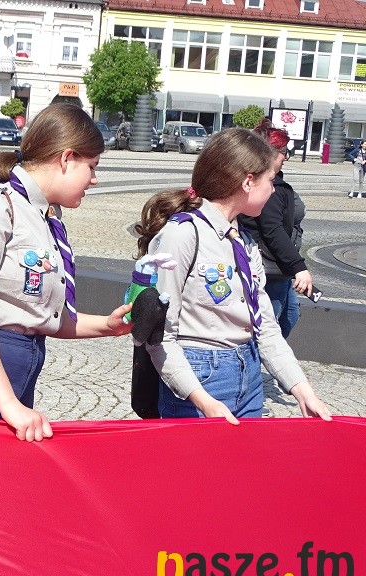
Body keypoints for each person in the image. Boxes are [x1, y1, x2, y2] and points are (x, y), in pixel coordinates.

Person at [0, 103, 133, 442]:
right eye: (91, 166)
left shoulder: (42, 217)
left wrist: (108, 326)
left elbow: (39, 315)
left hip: (10, 381)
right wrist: (9, 405)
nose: (94, 179)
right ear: (66, 158)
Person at [135, 127, 331, 424]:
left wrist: (302, 390)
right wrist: (203, 399)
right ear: (248, 182)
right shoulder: (182, 235)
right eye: (270, 180)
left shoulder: (243, 241)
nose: (274, 189)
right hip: (198, 380)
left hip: (249, 375)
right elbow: (160, 337)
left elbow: (265, 326)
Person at [238, 119, 311, 338]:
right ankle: (259, 359)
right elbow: (272, 229)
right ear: (269, 154)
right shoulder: (268, 188)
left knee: (290, 315)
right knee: (267, 327)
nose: (286, 157)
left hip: (280, 266)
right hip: (269, 266)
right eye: (283, 152)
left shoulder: (274, 182)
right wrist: (299, 267)